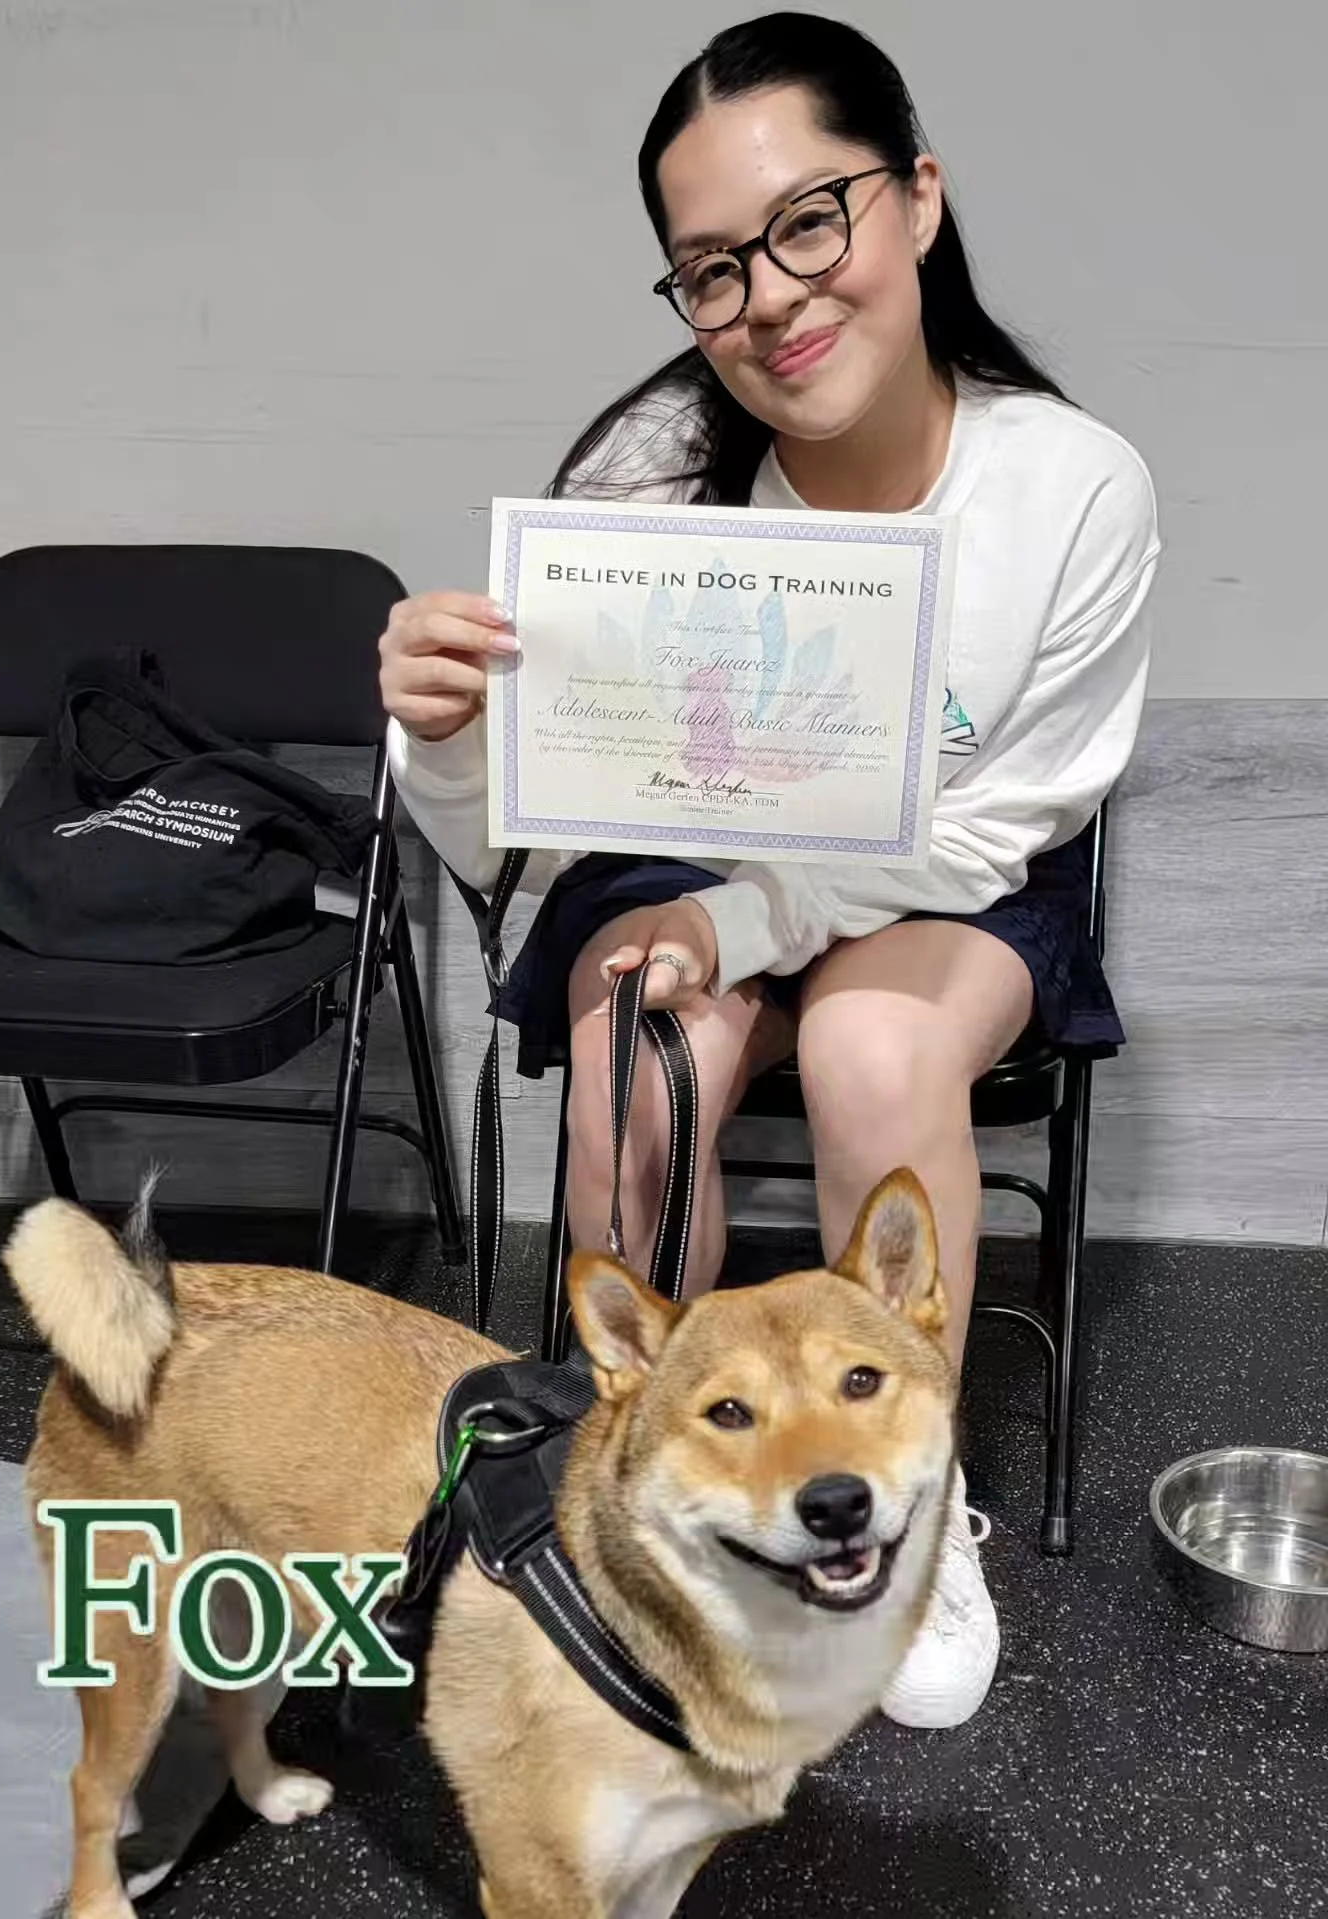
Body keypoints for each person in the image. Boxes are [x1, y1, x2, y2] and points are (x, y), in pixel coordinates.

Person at [377, 11, 1159, 1728]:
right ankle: (647, 1491)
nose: (775, 299)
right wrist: (440, 733)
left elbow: (987, 828)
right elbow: (507, 844)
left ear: (920, 199)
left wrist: (744, 921)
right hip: (691, 840)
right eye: (712, 268)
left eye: (815, 221)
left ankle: (908, 1489)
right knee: (631, 1059)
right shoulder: (646, 474)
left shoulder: (1072, 488)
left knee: (874, 1042)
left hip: (945, 861)